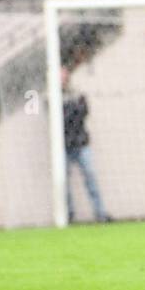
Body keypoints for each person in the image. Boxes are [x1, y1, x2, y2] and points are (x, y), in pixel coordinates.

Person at [62, 66, 110, 223]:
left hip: (81, 143)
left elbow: (83, 111)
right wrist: (71, 112)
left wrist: (70, 113)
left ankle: (100, 214)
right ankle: (68, 215)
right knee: (63, 182)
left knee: (90, 176)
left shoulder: (77, 92)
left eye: (64, 73)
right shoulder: (50, 95)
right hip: (62, 147)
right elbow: (59, 118)